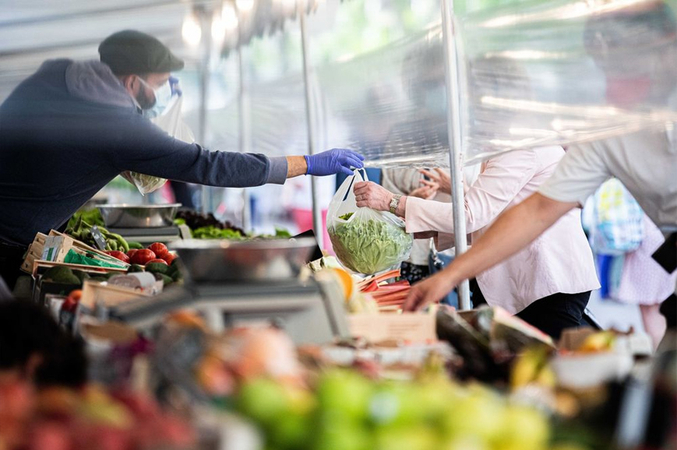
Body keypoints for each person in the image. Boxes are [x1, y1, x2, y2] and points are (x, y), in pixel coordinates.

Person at [0, 30, 364, 289]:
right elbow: (207, 164)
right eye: (159, 85)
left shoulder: (56, 72)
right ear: (131, 83)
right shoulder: (118, 128)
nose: (163, 93)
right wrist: (305, 163)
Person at [404, 3, 677, 326]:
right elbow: (537, 210)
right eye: (604, 63)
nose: (613, 76)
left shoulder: (527, 141)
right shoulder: (606, 136)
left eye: (623, 57)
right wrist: (448, 277)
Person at [355, 143, 600, 339]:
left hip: (547, 282)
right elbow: (495, 217)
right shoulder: (504, 146)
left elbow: (471, 214)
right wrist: (426, 230)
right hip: (526, 282)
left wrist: (393, 202)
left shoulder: (520, 147)